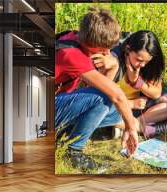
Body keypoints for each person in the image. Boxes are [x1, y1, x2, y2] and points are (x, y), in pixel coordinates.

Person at [55, 7, 138, 170]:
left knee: (114, 112)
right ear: (91, 43)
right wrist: (131, 128)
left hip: (63, 102)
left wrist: (113, 65)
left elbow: (100, 93)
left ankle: (66, 134)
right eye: (103, 49)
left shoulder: (76, 37)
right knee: (109, 98)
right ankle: (73, 152)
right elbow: (115, 95)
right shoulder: (71, 55)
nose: (107, 52)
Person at [93, 30, 167, 138]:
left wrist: (137, 82)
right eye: (139, 60)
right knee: (98, 111)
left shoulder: (150, 64)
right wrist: (131, 103)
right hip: (117, 108)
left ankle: (131, 126)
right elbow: (98, 98)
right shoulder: (113, 63)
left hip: (141, 109)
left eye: (147, 61)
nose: (143, 65)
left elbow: (156, 94)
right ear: (128, 50)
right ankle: (143, 128)